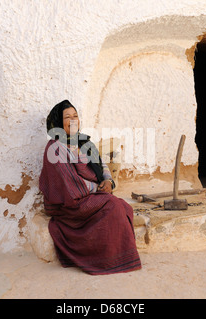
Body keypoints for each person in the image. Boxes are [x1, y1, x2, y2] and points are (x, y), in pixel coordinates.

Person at [39, 100, 141, 275]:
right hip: (69, 203)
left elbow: (102, 166)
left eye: (75, 116)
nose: (73, 120)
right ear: (57, 122)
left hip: (89, 195)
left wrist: (108, 182)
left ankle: (117, 256)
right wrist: (98, 188)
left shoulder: (83, 142)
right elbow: (70, 185)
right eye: (67, 117)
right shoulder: (56, 148)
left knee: (124, 207)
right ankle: (105, 261)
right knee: (114, 206)